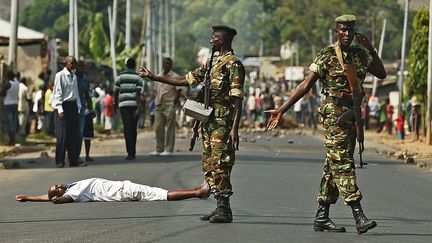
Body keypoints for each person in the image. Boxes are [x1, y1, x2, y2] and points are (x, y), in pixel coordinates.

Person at [266, 15, 386, 234]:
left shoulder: (360, 54)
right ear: (336, 31)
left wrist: (372, 49)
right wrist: (282, 109)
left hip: (352, 114)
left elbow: (381, 73)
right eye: (343, 30)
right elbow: (306, 84)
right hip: (333, 114)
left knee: (333, 166)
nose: (347, 34)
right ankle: (358, 214)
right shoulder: (327, 54)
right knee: (342, 163)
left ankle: (322, 217)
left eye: (351, 30)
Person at [140, 25, 245, 223]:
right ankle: (218, 206)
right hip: (207, 122)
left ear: (221, 40)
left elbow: (238, 98)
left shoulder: (233, 64)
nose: (210, 40)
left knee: (221, 163)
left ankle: (225, 208)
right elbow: (184, 81)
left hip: (222, 122)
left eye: (213, 38)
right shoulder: (211, 63)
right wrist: (153, 77)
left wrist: (235, 129)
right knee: (209, 165)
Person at [15, 178, 210, 203]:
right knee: (161, 194)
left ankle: (196, 190)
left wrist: (28, 197)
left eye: (55, 185)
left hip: (124, 187)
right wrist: (57, 199)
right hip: (124, 191)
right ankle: (198, 193)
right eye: (56, 189)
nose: (58, 186)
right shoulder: (73, 194)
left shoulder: (73, 186)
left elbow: (47, 196)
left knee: (158, 191)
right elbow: (54, 199)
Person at [51, 56, 84, 168]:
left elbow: (76, 94)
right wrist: (60, 109)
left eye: (75, 63)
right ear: (66, 63)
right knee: (62, 135)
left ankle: (73, 160)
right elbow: (57, 93)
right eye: (71, 63)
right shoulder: (60, 76)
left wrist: (78, 107)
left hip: (73, 106)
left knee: (74, 134)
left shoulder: (74, 77)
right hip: (63, 106)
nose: (73, 65)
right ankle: (60, 161)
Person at [150, 57, 179, 156]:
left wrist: (175, 102)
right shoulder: (158, 76)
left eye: (168, 64)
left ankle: (169, 149)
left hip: (170, 104)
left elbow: (179, 90)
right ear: (163, 64)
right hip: (159, 104)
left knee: (170, 128)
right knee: (158, 127)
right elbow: (155, 90)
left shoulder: (175, 76)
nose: (167, 65)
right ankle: (159, 148)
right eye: (165, 63)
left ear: (171, 65)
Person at [114, 58, 142, 160]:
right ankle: (133, 151)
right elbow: (138, 94)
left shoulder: (120, 76)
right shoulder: (138, 77)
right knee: (133, 129)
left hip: (123, 105)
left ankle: (129, 152)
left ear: (126, 65)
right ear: (135, 65)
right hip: (134, 105)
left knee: (127, 128)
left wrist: (115, 104)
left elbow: (116, 92)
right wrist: (138, 108)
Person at [76, 61, 95, 162]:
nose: (81, 68)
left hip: (83, 109)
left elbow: (87, 95)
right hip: (72, 108)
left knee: (82, 133)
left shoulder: (86, 80)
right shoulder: (72, 78)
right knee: (72, 133)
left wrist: (91, 109)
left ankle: (81, 155)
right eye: (79, 66)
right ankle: (71, 154)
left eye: (83, 66)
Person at [2, 71, 20, 145]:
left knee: (9, 123)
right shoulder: (17, 83)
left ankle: (11, 140)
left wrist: (3, 84)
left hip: (8, 104)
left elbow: (3, 93)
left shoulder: (8, 84)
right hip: (15, 103)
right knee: (14, 121)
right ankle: (13, 140)